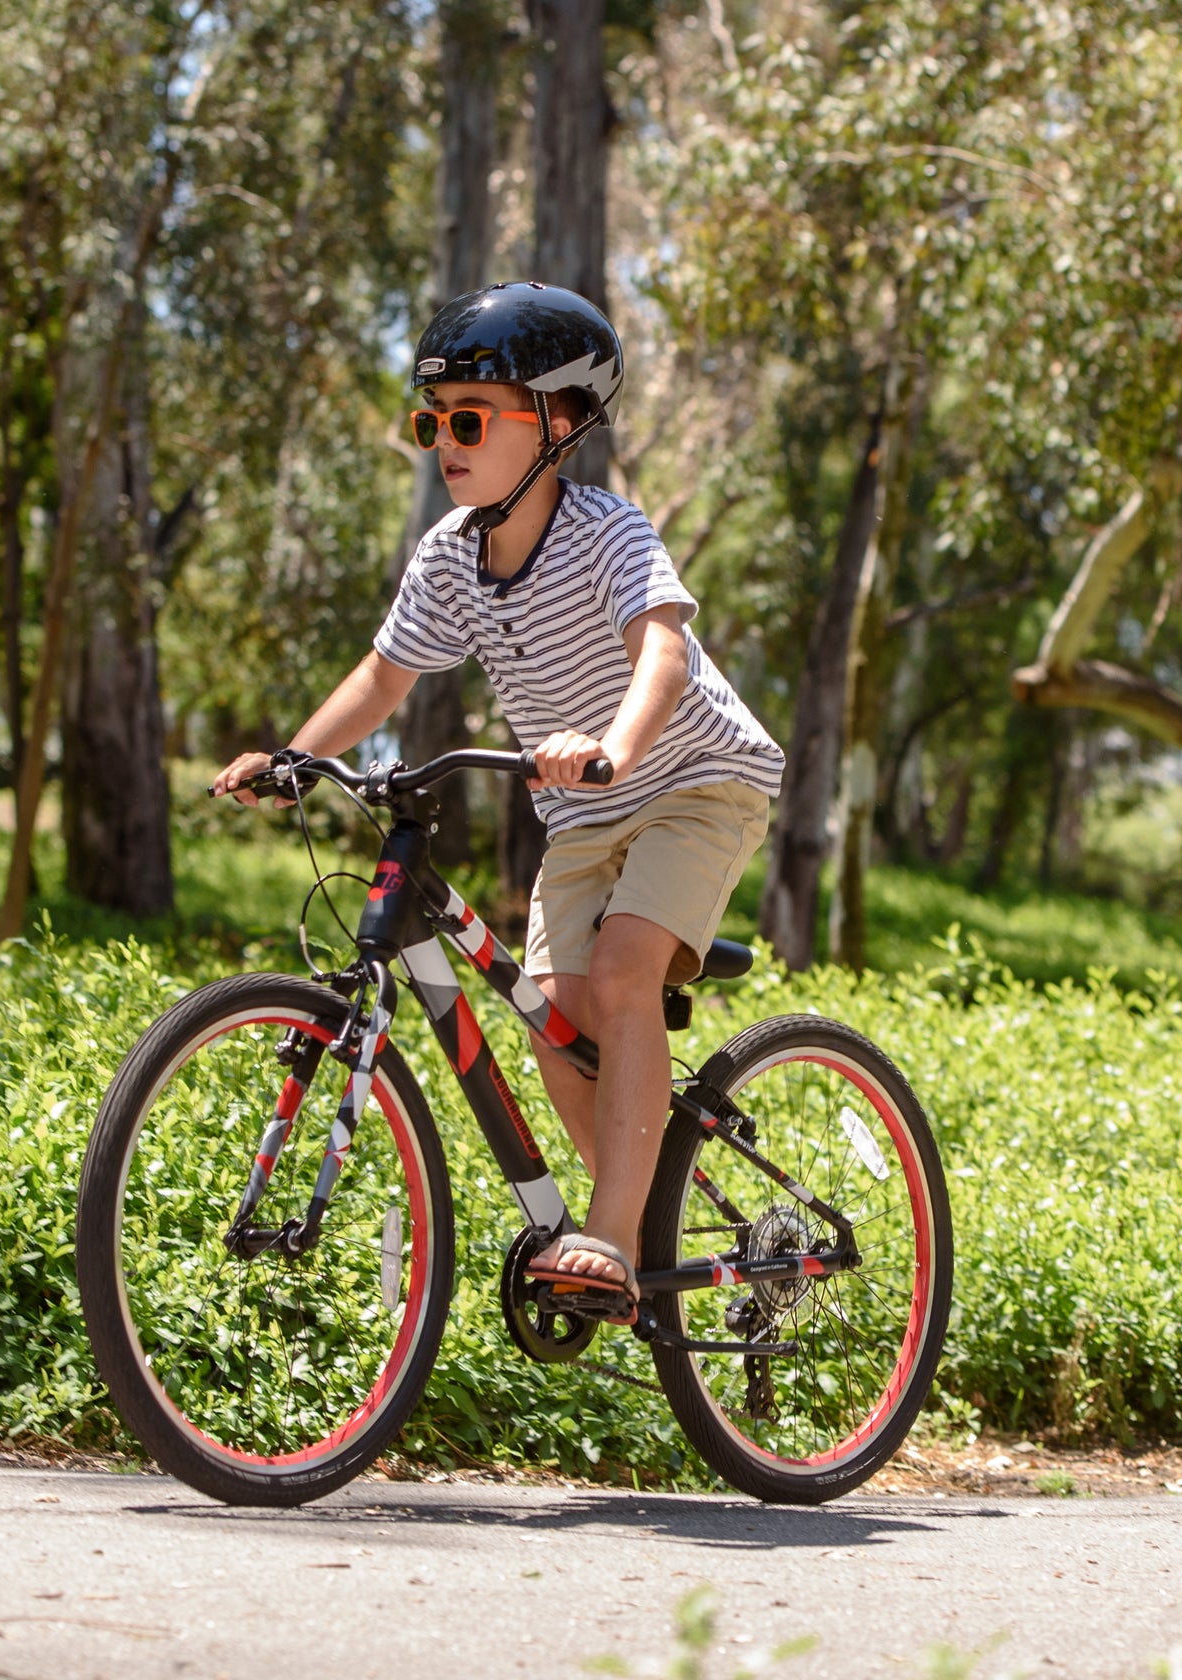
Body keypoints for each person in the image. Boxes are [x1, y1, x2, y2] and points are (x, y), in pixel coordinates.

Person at [212, 282, 785, 1323]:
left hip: (695, 780)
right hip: (583, 814)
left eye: (469, 418)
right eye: (430, 422)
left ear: (556, 423)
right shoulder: (449, 558)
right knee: (550, 1014)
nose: (443, 442)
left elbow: (659, 649)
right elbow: (385, 677)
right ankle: (646, 1204)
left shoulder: (607, 533)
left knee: (621, 972)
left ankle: (609, 1235)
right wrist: (294, 757)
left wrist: (611, 745)